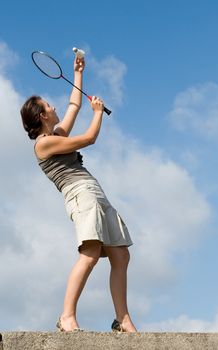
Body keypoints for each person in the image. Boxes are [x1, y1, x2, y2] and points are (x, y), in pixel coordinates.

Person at [20, 55, 136, 333]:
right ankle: (67, 317)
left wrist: (78, 73)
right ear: (41, 116)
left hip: (94, 191)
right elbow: (88, 139)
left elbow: (74, 104)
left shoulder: (56, 134)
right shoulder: (44, 145)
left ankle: (123, 320)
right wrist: (97, 113)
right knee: (90, 253)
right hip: (80, 193)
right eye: (48, 105)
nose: (54, 106)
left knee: (120, 255)